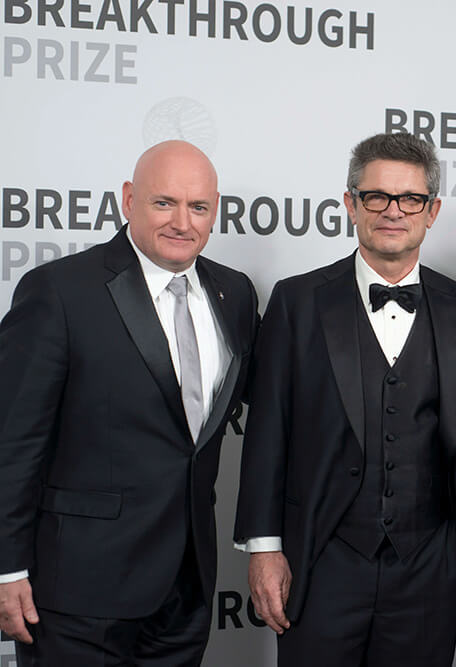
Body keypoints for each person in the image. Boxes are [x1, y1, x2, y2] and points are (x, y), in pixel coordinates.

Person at [0, 140, 259, 665]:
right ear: (127, 199)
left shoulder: (236, 294)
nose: (182, 222)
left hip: (185, 589)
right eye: (164, 203)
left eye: (199, 207)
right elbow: (13, 441)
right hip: (78, 591)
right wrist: (6, 568)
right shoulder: (59, 291)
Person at [233, 132, 456, 667]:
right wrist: (263, 547)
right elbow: (267, 432)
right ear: (350, 203)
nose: (393, 211)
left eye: (410, 199)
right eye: (376, 196)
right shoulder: (297, 301)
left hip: (429, 563)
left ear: (432, 210)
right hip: (319, 561)